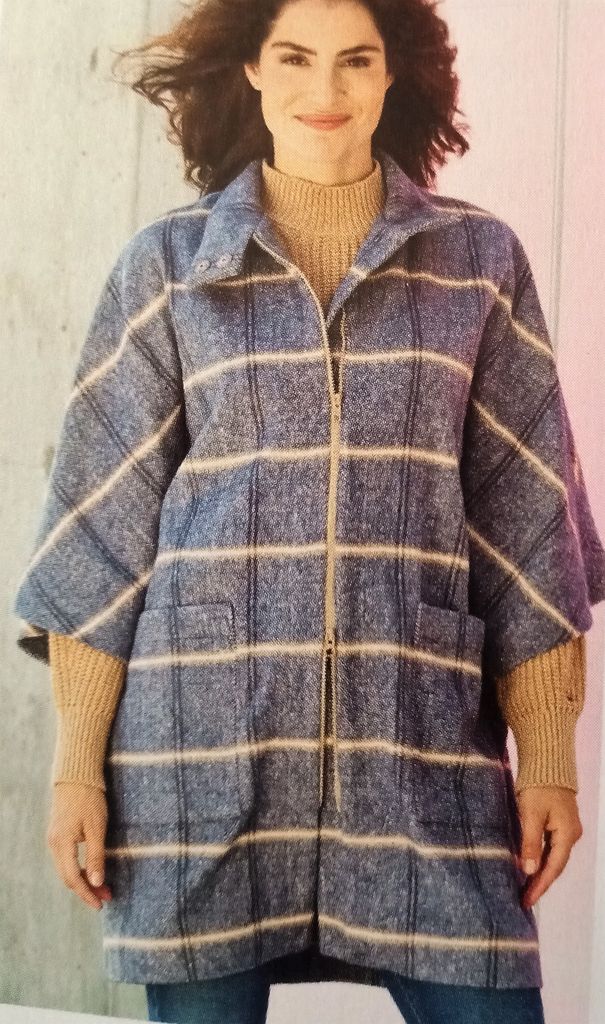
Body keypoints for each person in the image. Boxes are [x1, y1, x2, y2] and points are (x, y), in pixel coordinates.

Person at [12, 0, 605, 1021]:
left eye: (353, 61)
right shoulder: (168, 266)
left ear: (393, 73)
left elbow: (527, 524)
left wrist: (547, 760)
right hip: (201, 761)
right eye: (293, 57)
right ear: (250, 68)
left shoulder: (476, 260)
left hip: (419, 752)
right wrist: (77, 771)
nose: (323, 90)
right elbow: (99, 536)